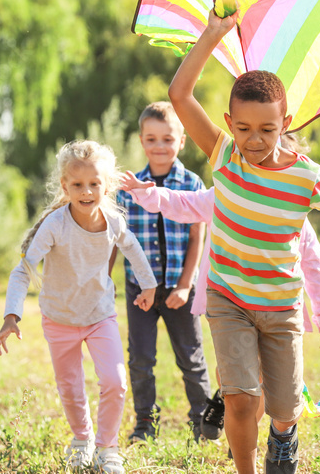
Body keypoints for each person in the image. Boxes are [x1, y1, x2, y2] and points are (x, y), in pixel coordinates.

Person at [168, 11, 320, 474]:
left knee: (283, 409)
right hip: (228, 297)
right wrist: (214, 33)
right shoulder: (223, 155)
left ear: (286, 122)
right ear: (229, 122)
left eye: (267, 129)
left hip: (281, 308)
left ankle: (284, 436)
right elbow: (179, 95)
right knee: (241, 400)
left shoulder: (305, 175)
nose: (253, 140)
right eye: (243, 129)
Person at [119, 131, 320, 442]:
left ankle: (241, 434)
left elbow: (315, 265)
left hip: (278, 307)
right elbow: (186, 203)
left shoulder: (297, 220)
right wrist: (149, 194)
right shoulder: (228, 194)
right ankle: (226, 400)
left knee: (264, 383)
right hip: (232, 301)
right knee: (234, 378)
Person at [0, 140, 159, 474]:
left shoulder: (112, 221)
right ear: (65, 186)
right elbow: (24, 270)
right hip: (60, 318)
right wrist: (11, 316)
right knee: (70, 388)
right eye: (78, 185)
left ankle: (107, 449)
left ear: (106, 186)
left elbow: (133, 249)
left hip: (100, 315)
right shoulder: (55, 225)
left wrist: (149, 284)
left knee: (115, 381)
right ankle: (82, 440)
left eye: (94, 184)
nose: (86, 191)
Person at [115, 102, 211, 442]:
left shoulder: (191, 182)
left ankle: (203, 423)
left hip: (178, 290)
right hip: (139, 289)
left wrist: (186, 284)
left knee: (191, 359)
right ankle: (145, 424)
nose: (160, 146)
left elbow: (198, 234)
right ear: (142, 141)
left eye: (167, 139)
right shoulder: (129, 186)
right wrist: (104, 274)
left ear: (181, 141)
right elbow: (117, 236)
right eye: (152, 139)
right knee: (141, 359)